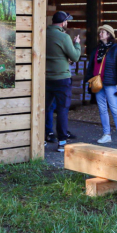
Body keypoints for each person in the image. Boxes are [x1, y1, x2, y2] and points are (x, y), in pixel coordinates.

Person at [85, 25, 117, 148]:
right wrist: (88, 82)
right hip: (97, 83)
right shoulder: (97, 49)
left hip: (110, 84)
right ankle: (106, 134)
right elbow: (91, 66)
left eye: (103, 32)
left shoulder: (116, 49)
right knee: (102, 109)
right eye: (100, 32)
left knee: (115, 110)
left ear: (109, 35)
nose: (100, 34)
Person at [45, 10, 81, 152]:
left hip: (46, 78)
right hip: (62, 79)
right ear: (63, 23)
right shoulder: (64, 37)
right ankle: (61, 141)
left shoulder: (43, 34)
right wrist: (77, 44)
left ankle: (44, 136)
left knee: (45, 108)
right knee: (62, 110)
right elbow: (75, 56)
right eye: (67, 21)